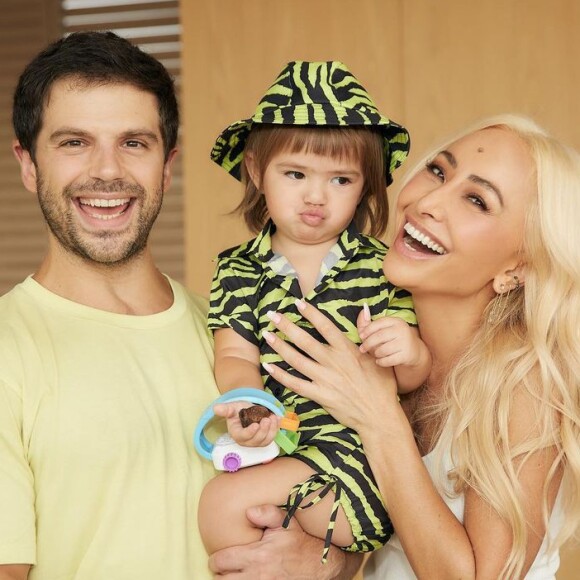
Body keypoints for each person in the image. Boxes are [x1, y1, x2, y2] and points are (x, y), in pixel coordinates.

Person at [0, 31, 358, 580]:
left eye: (133, 143)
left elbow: (346, 480)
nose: (107, 171)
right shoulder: (8, 347)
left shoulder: (250, 334)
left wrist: (332, 561)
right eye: (74, 142)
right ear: (28, 165)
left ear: (166, 166)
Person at [255, 114, 580, 578]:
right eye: (438, 172)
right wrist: (330, 559)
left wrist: (378, 416)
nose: (428, 201)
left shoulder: (524, 385)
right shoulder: (382, 349)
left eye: (476, 200)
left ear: (518, 266)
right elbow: (397, 540)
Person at [199, 60, 432, 561]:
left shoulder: (383, 268)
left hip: (365, 462)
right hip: (288, 450)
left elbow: (413, 379)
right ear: (257, 171)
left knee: (224, 503)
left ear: (366, 186)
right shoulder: (237, 269)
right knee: (247, 512)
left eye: (341, 180)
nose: (315, 196)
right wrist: (249, 402)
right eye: (296, 173)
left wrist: (409, 353)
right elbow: (236, 352)